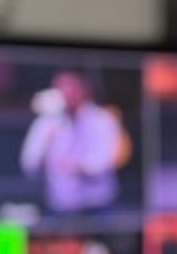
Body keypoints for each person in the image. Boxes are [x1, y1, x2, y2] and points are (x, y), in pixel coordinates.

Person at [20, 71, 124, 214]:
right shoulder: (46, 122)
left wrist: (76, 167)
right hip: (61, 206)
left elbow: (104, 162)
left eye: (70, 88)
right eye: (60, 88)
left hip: (97, 205)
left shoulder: (103, 119)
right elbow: (29, 164)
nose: (65, 93)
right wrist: (46, 144)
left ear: (83, 90)